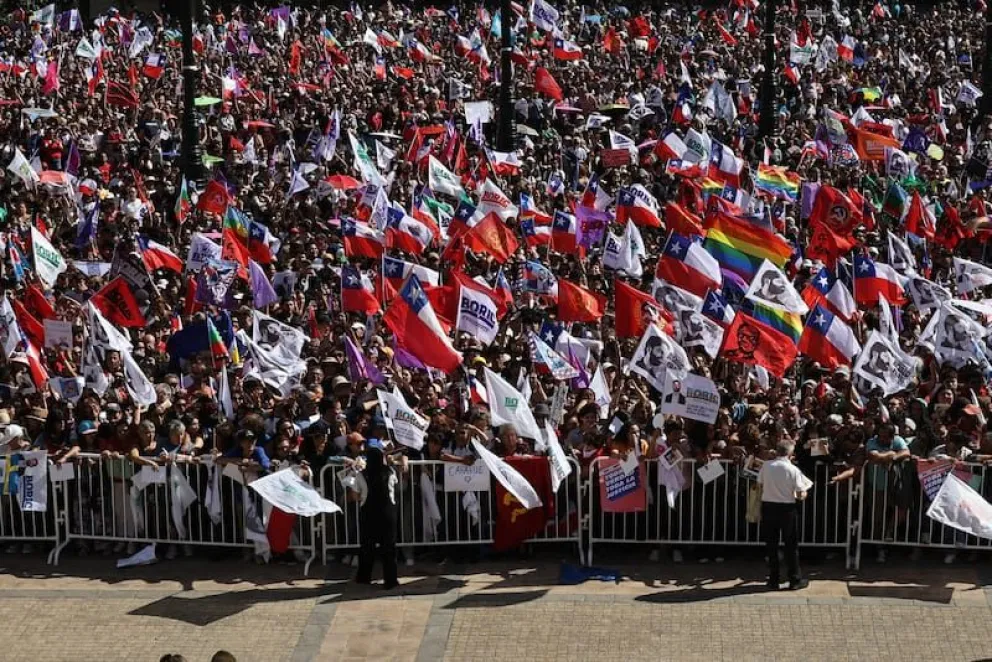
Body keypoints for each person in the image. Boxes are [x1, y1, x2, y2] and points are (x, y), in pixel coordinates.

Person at [757, 441, 812, 591]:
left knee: (771, 544)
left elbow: (760, 483)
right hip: (787, 508)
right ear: (790, 453)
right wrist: (804, 494)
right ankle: (794, 579)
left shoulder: (766, 466)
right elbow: (800, 494)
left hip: (769, 505)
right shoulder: (793, 469)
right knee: (791, 544)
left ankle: (773, 579)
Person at [356, 439, 402, 589]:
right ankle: (391, 580)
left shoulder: (361, 475)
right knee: (389, 547)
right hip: (388, 513)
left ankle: (364, 577)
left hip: (368, 513)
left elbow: (356, 496)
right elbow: (394, 486)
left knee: (367, 546)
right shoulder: (390, 472)